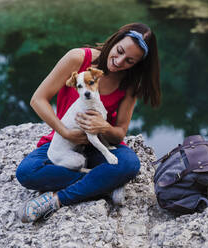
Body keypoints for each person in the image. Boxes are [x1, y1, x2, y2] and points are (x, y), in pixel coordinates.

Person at [16, 23, 161, 223]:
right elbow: (38, 99)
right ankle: (105, 183)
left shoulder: (130, 84)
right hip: (63, 141)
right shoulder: (78, 58)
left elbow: (120, 133)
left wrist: (105, 127)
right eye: (119, 51)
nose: (118, 62)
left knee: (130, 164)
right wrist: (66, 133)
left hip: (99, 145)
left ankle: (57, 199)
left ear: (137, 63)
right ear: (115, 40)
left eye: (129, 61)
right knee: (26, 172)